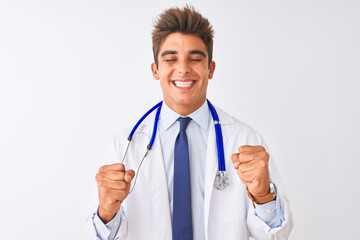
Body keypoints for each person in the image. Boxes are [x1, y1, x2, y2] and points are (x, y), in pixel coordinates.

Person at [87, 5, 293, 240]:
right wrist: (106, 210)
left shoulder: (246, 140)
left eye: (195, 59)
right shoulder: (124, 145)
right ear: (155, 70)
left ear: (210, 69)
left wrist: (263, 194)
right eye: (171, 59)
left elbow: (276, 235)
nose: (183, 69)